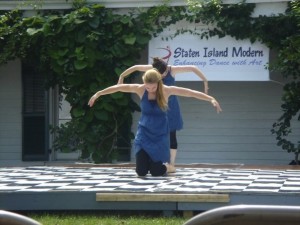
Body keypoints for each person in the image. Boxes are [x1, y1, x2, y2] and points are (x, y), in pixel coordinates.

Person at [89, 69, 221, 177]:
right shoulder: (141, 89)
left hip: (160, 135)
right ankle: (147, 160)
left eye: (153, 87)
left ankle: (166, 166)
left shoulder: (166, 90)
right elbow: (119, 88)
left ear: (159, 83)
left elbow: (190, 93)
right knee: (141, 171)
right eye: (147, 86)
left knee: (156, 172)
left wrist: (211, 99)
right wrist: (98, 94)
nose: (150, 89)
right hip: (144, 133)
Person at [118, 57, 209, 172]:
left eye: (164, 74)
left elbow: (193, 68)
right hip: (155, 106)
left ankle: (171, 164)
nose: (162, 77)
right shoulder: (152, 71)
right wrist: (122, 76)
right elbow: (135, 67)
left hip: (170, 105)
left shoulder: (172, 70)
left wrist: (205, 81)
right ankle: (152, 159)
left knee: (172, 134)